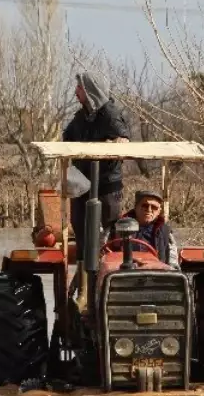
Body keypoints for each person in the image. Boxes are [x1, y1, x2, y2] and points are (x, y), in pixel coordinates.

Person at [62, 71, 130, 251]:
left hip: (107, 185)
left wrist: (116, 143)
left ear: (89, 90)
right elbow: (66, 138)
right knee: (80, 225)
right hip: (82, 183)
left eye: (79, 88)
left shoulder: (110, 114)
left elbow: (124, 140)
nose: (76, 92)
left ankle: (110, 269)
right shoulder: (81, 116)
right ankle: (85, 270)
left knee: (110, 229)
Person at [109, 189, 178, 268]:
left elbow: (173, 260)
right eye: (145, 205)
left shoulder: (165, 231)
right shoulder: (118, 226)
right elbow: (104, 251)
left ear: (159, 211)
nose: (149, 210)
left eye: (154, 207)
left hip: (155, 273)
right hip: (122, 271)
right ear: (136, 207)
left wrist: (172, 268)